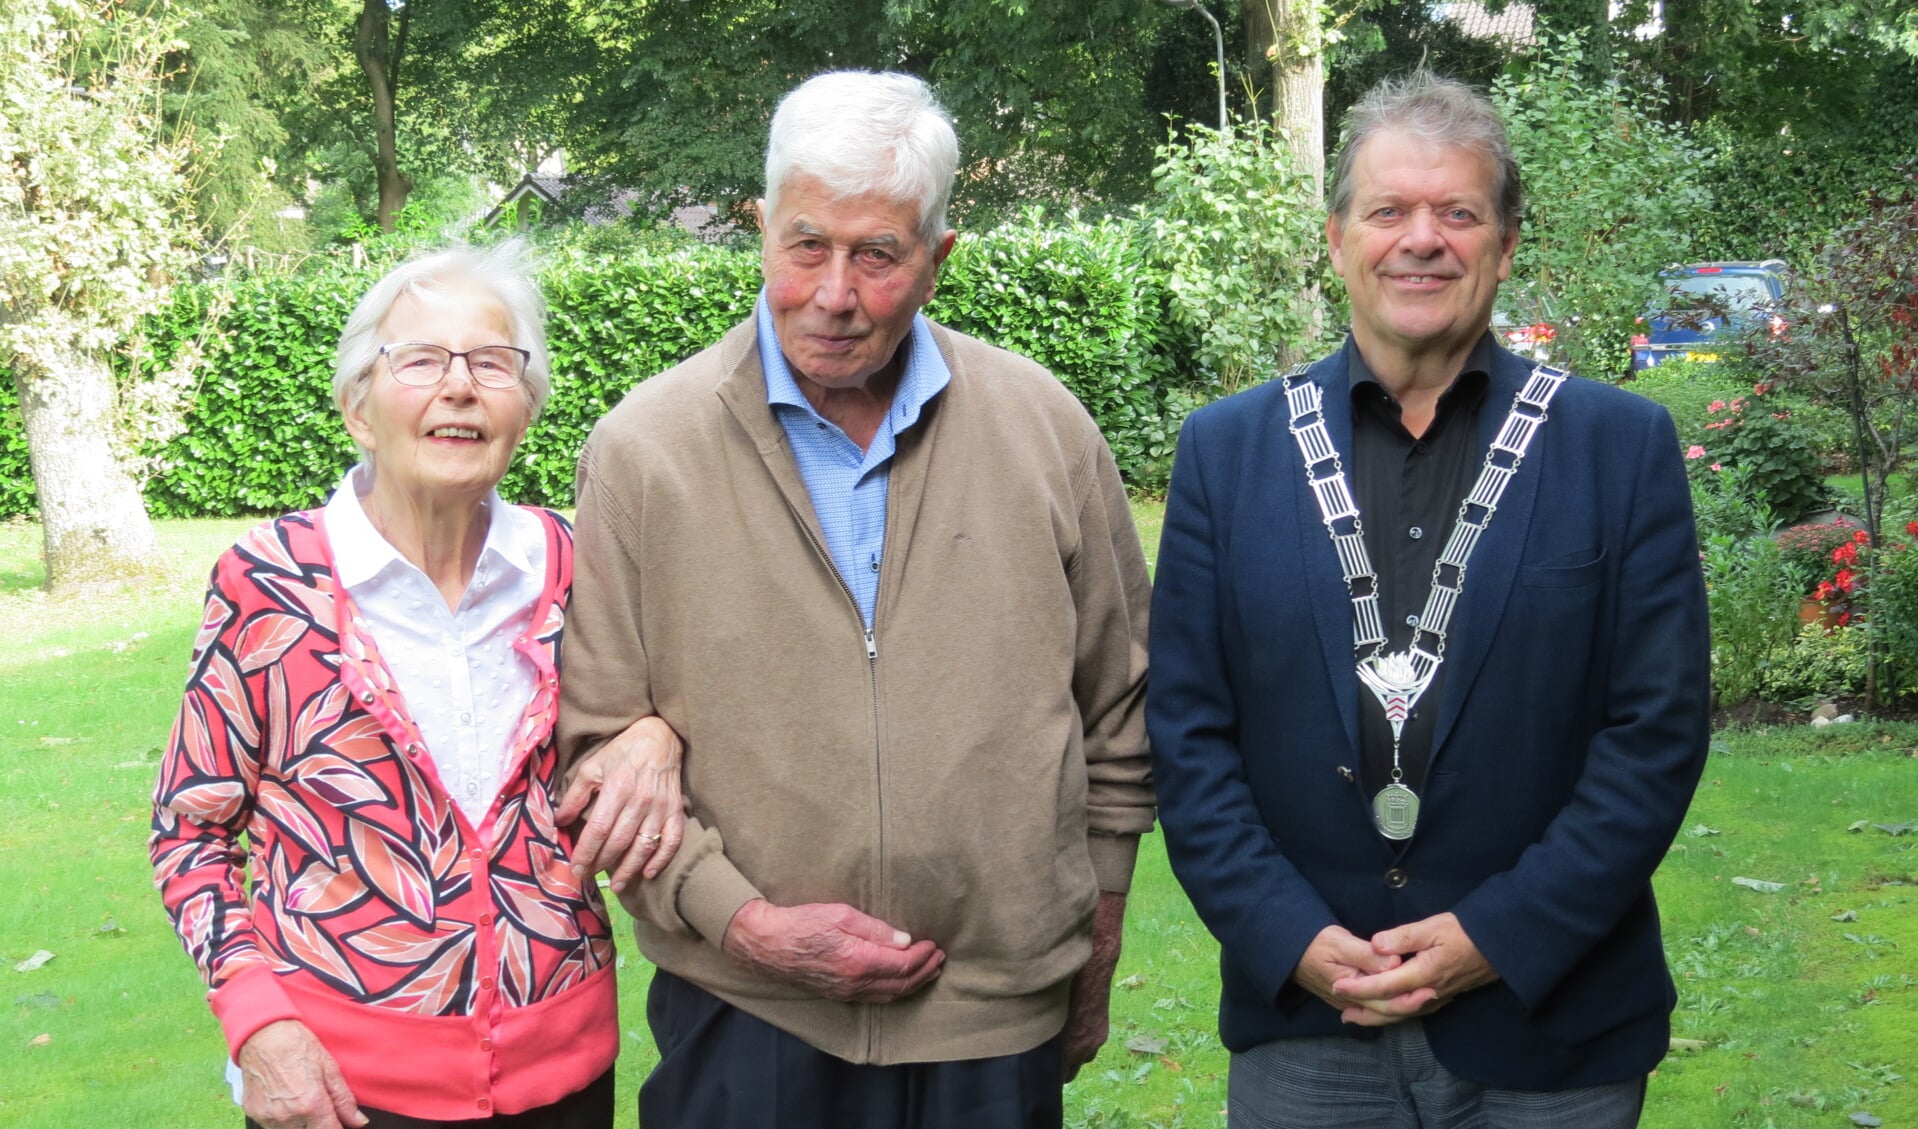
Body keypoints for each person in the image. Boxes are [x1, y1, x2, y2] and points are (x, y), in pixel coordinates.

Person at [557, 70, 1155, 1129]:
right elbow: (597, 746)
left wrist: (1094, 932)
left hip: (992, 1022)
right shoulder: (645, 449)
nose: (833, 292)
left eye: (876, 254)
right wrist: (740, 925)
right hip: (745, 1017)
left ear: (937, 260)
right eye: (805, 245)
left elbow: (1120, 710)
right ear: (758, 230)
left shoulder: (1046, 432)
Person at [1147, 71, 1711, 1128]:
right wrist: (1284, 934)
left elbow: (1656, 733)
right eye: (1388, 211)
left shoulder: (1614, 448)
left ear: (1501, 246)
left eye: (1457, 212)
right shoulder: (1226, 454)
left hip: (1551, 1029)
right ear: (1336, 240)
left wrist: (1499, 935)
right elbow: (1186, 734)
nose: (1422, 240)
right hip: (1310, 1026)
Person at [150, 243, 685, 1129]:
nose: (461, 386)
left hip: (565, 1081)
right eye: (423, 360)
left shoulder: (575, 567)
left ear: (527, 406)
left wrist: (659, 730)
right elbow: (189, 832)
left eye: (492, 361)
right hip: (338, 1092)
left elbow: (672, 707)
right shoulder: (269, 585)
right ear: (358, 408)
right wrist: (255, 1020)